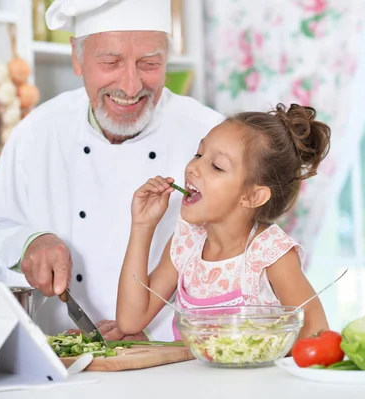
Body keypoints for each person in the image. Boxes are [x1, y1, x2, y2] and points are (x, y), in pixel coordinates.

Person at [0, 0, 225, 342]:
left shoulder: (210, 136)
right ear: (77, 57)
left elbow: (244, 253)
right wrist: (27, 244)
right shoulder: (40, 130)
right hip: (60, 361)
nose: (131, 86)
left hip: (174, 361)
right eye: (110, 62)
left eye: (149, 63)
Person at [116, 103, 331, 341]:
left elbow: (316, 330)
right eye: (198, 154)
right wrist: (142, 227)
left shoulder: (270, 253)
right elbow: (130, 320)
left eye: (217, 166)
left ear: (252, 196)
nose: (194, 167)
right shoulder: (187, 242)